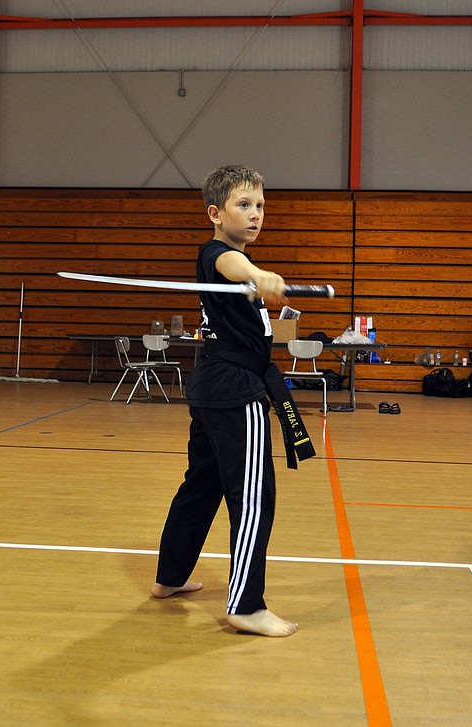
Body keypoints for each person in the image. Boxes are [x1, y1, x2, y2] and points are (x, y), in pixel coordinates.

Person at [151, 165, 313, 638]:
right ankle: (245, 605)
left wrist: (260, 284)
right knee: (254, 497)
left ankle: (169, 577)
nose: (256, 214)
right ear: (215, 214)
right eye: (244, 205)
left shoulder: (234, 263)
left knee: (202, 485)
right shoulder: (220, 255)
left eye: (261, 205)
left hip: (213, 386)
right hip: (235, 391)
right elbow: (232, 265)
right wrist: (259, 274)